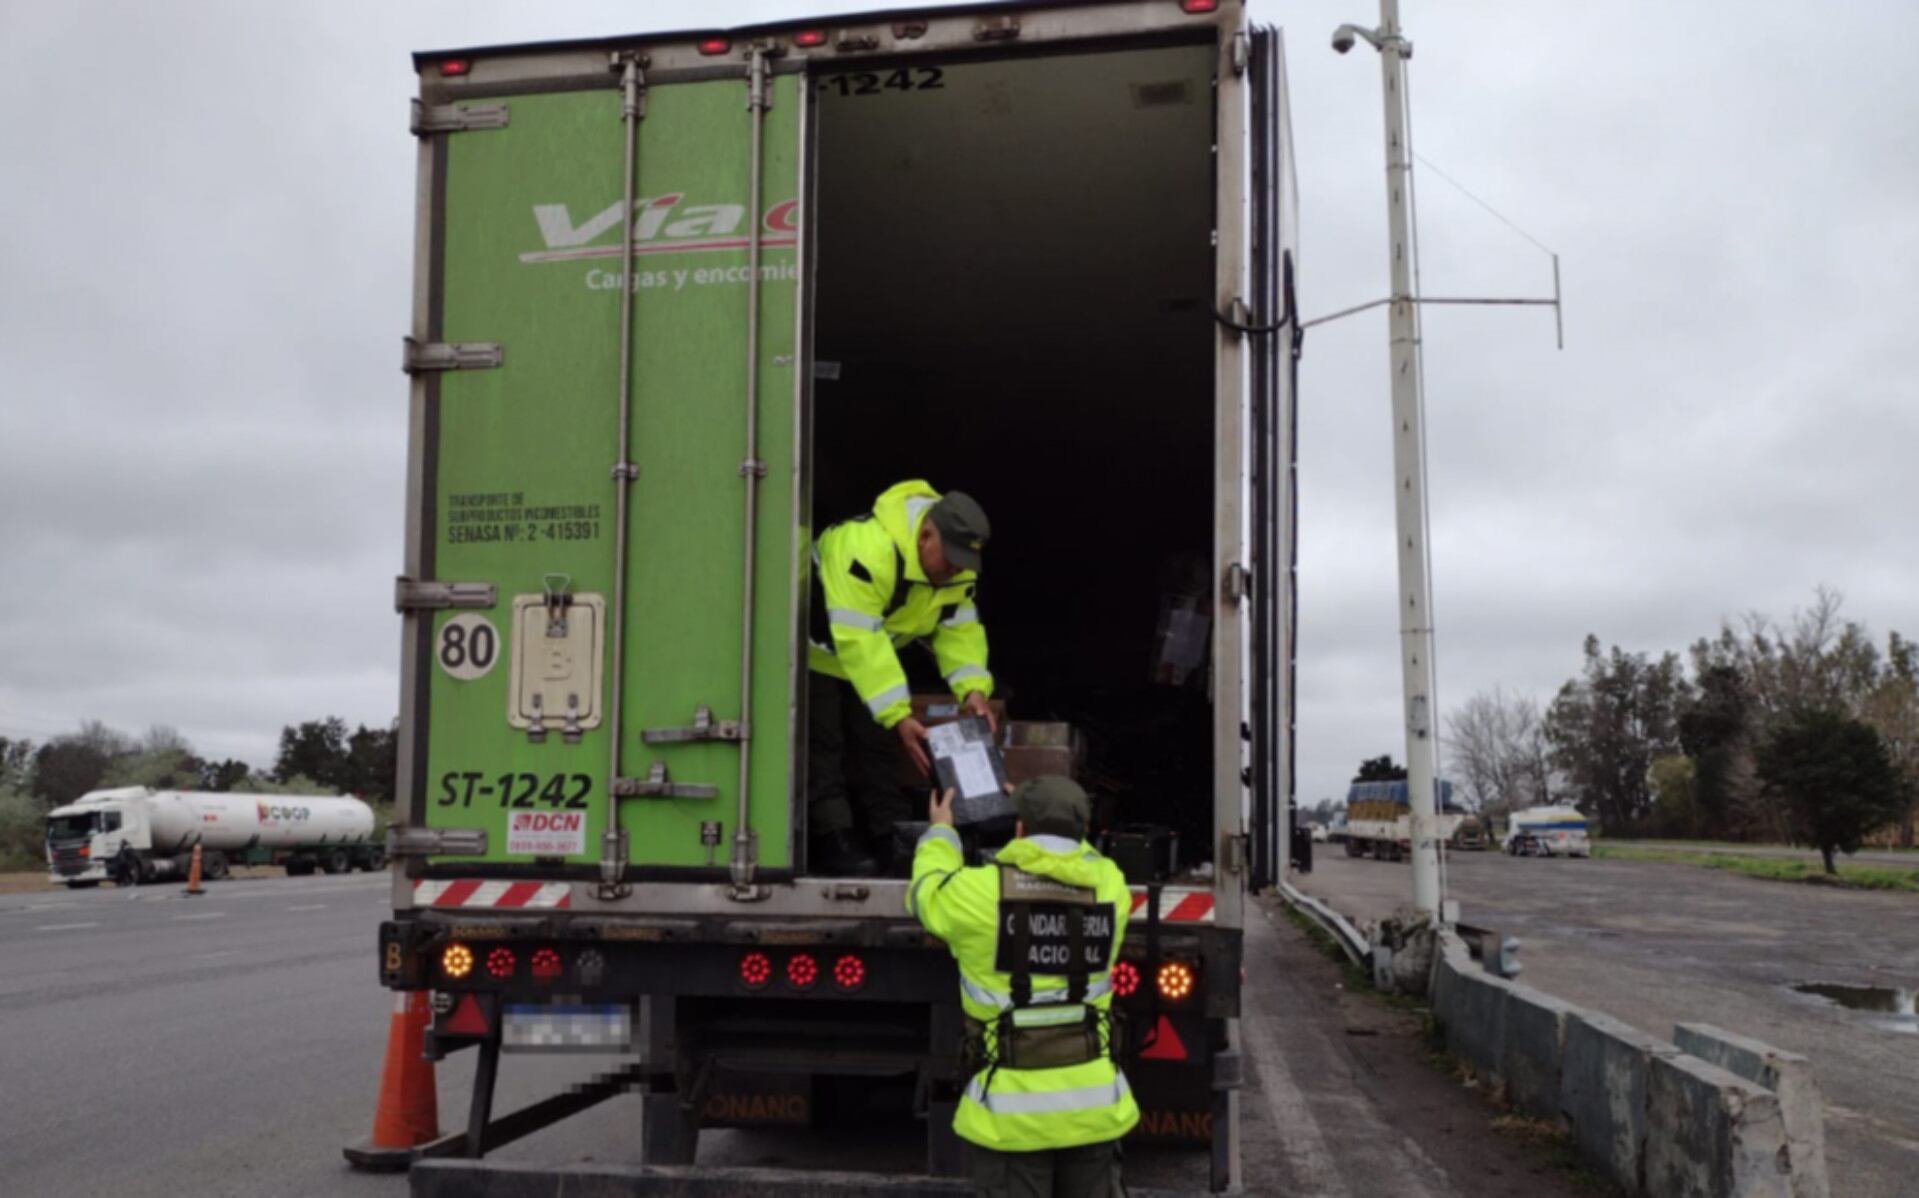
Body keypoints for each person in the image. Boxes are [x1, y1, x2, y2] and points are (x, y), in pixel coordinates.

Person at [907, 776, 1137, 1197]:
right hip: (1094, 1110)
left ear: (1018, 830)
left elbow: (926, 892)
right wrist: (1050, 813)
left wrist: (941, 830)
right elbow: (1083, 860)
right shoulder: (1111, 888)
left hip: (1010, 1119)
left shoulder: (976, 894)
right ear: (1085, 831)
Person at [808, 480, 996, 876]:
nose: (955, 571)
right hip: (818, 656)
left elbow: (958, 628)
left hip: (873, 659)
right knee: (826, 746)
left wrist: (973, 689)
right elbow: (861, 639)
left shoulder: (952, 569)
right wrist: (897, 712)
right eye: (950, 560)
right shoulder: (866, 549)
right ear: (926, 534)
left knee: (876, 748)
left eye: (964, 563)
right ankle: (833, 837)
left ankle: (889, 837)